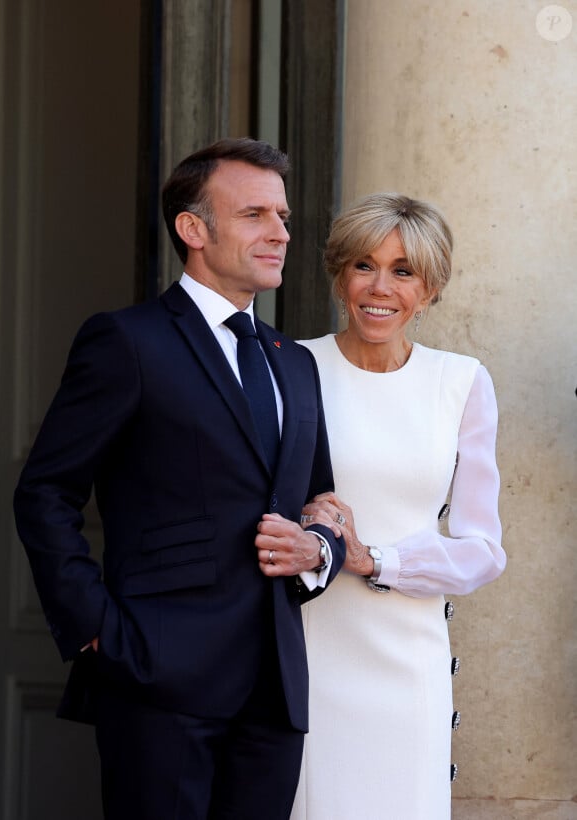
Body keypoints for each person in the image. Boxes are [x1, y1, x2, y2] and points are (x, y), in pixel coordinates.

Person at [13, 137, 346, 820]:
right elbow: (44, 492)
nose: (280, 232)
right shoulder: (127, 341)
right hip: (158, 677)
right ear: (194, 229)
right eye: (255, 214)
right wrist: (99, 630)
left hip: (275, 690)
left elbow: (322, 504)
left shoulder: (294, 362)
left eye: (283, 216)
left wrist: (321, 553)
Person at [290, 192, 507, 820]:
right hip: (308, 651)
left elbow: (482, 551)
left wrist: (372, 558)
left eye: (403, 271)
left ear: (430, 287)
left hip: (409, 661)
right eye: (363, 265)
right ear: (338, 275)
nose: (379, 287)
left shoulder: (461, 382)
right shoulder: (293, 367)